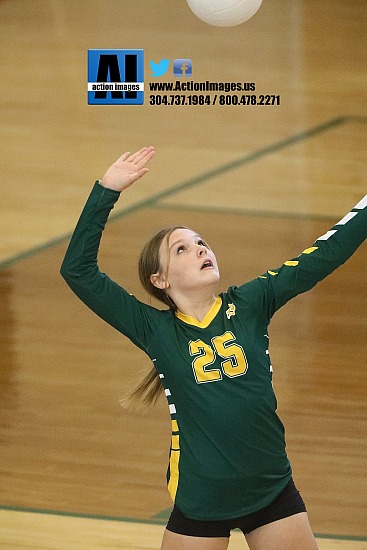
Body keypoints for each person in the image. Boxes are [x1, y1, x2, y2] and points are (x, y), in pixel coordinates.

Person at [60, 147, 366, 550]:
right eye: (182, 249)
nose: (201, 249)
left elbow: (324, 253)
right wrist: (106, 191)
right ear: (161, 280)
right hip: (202, 501)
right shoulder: (155, 331)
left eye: (201, 241)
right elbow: (77, 270)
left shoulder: (253, 302)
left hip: (270, 490)